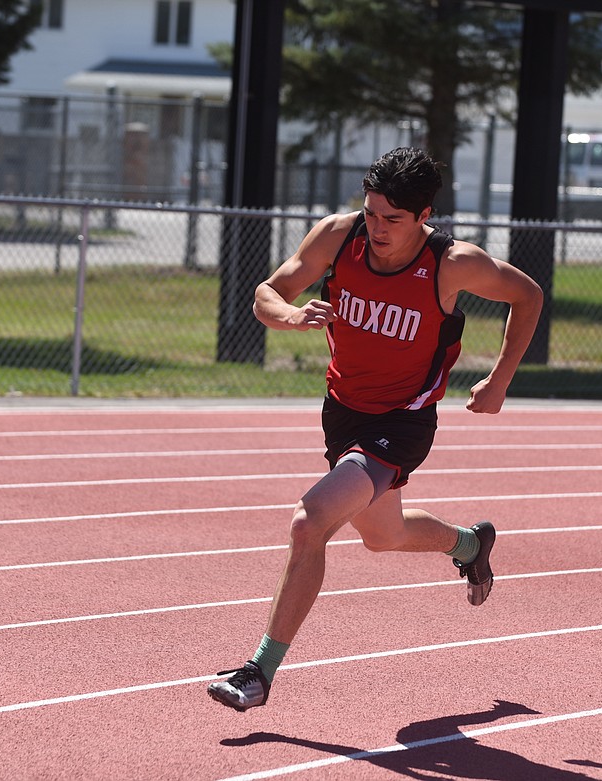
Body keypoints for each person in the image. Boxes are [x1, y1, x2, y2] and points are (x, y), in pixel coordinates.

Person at [207, 147, 544, 711]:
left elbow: (527, 294)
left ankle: (258, 671)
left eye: (393, 219)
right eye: (371, 213)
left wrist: (500, 379)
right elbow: (268, 292)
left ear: (424, 215)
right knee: (382, 536)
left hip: (403, 419)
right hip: (342, 409)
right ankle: (469, 543)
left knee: (310, 522)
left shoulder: (452, 263)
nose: (378, 228)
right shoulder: (339, 237)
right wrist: (291, 316)